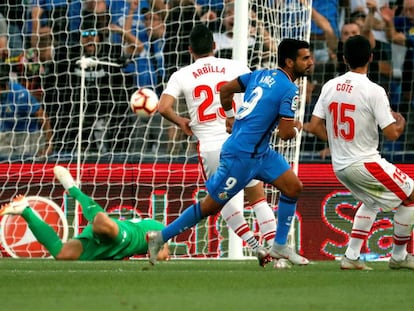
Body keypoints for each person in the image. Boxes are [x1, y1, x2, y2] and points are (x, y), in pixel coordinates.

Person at [147, 38, 313, 267]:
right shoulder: (290, 89)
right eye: (305, 58)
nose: (311, 62)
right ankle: (160, 237)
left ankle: (280, 245)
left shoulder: (259, 75)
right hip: (240, 157)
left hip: (261, 153)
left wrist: (229, 115)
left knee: (293, 186)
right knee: (210, 206)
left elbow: (225, 90)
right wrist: (297, 127)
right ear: (289, 62)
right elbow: (286, 134)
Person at [157, 24, 277, 262]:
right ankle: (276, 250)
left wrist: (181, 121)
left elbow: (162, 107)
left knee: (220, 201)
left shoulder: (181, 75)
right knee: (257, 196)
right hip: (241, 141)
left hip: (210, 147)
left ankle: (255, 248)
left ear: (190, 50)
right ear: (215, 46)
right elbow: (259, 98)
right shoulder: (236, 67)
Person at [306, 35, 414, 270]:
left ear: (344, 58)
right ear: (371, 58)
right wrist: (401, 122)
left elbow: (314, 126)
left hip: (341, 166)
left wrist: (337, 145)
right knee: (411, 196)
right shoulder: (374, 90)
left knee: (371, 202)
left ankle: (351, 257)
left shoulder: (329, 86)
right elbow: (392, 134)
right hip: (365, 162)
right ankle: (399, 256)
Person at [0, 165, 170, 261]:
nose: (168, 255)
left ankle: (25, 210)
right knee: (103, 224)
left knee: (62, 254)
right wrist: (161, 256)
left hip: (106, 251)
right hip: (122, 235)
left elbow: (158, 255)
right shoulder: (158, 228)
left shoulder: (152, 241)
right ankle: (74, 190)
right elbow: (159, 250)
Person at [0, 63, 53, 159]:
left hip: (28, 134)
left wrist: (49, 144)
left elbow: (43, 118)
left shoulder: (21, 95)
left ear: (3, 87)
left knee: (27, 162)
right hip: (6, 132)